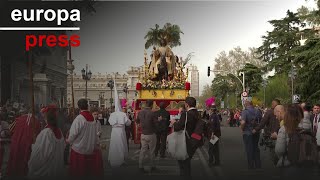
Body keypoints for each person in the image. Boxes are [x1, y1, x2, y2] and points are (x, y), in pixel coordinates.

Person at [275, 104, 318, 178]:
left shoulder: (285, 129)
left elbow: (280, 150)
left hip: (290, 165)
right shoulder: (308, 126)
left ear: (287, 115)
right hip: (308, 165)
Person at [67, 99, 102, 177]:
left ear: (79, 107)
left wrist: (68, 141)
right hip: (90, 149)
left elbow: (73, 134)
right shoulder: (93, 119)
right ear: (87, 106)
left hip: (79, 150)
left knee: (79, 173)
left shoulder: (79, 119)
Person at [28, 105, 65, 178]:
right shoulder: (59, 131)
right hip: (56, 168)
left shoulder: (46, 133)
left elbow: (39, 156)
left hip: (47, 171)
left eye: (44, 116)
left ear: (47, 117)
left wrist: (34, 146)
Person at [170, 97, 203, 177]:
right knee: (186, 161)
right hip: (195, 139)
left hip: (186, 140)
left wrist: (174, 123)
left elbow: (178, 127)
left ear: (187, 104)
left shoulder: (186, 114)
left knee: (183, 162)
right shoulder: (197, 113)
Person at [6, 108, 41, 177]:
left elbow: (9, 130)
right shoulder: (37, 122)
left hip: (16, 144)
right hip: (27, 146)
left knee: (15, 161)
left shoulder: (19, 119)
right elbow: (38, 137)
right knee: (24, 165)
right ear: (36, 114)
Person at [136, 100, 158, 173]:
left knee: (143, 150)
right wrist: (159, 120)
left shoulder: (140, 112)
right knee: (152, 151)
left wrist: (140, 125)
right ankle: (152, 166)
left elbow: (137, 121)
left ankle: (140, 166)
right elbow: (156, 124)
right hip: (151, 134)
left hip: (143, 134)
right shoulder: (152, 113)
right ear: (151, 105)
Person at [240, 100, 262, 169]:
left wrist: (242, 128)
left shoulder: (245, 111)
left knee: (249, 149)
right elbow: (261, 122)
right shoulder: (258, 111)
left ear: (246, 105)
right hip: (256, 132)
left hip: (247, 133)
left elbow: (243, 122)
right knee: (255, 148)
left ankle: (251, 165)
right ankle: (258, 164)